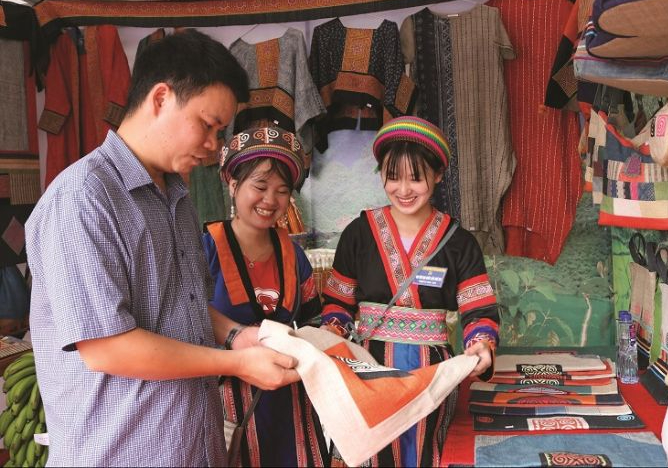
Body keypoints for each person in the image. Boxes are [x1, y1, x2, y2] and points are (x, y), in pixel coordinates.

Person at [26, 29, 300, 467]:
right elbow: (106, 348)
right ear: (160, 99)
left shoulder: (178, 197)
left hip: (192, 450)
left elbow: (182, 303)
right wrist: (235, 364)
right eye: (207, 125)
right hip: (119, 454)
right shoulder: (83, 197)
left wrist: (236, 336)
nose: (213, 145)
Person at [320, 116, 500, 467]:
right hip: (370, 370)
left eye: (415, 177)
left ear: (437, 175)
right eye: (393, 176)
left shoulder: (458, 242)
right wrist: (331, 332)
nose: (403, 189)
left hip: (431, 374)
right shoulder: (359, 233)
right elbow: (338, 303)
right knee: (374, 454)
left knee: (425, 453)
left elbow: (477, 310)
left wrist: (481, 344)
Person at [204, 125, 329, 466]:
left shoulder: (293, 254)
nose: (270, 200)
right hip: (229, 404)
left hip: (290, 407)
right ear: (232, 184)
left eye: (282, 191)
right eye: (259, 186)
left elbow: (313, 320)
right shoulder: (206, 248)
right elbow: (185, 314)